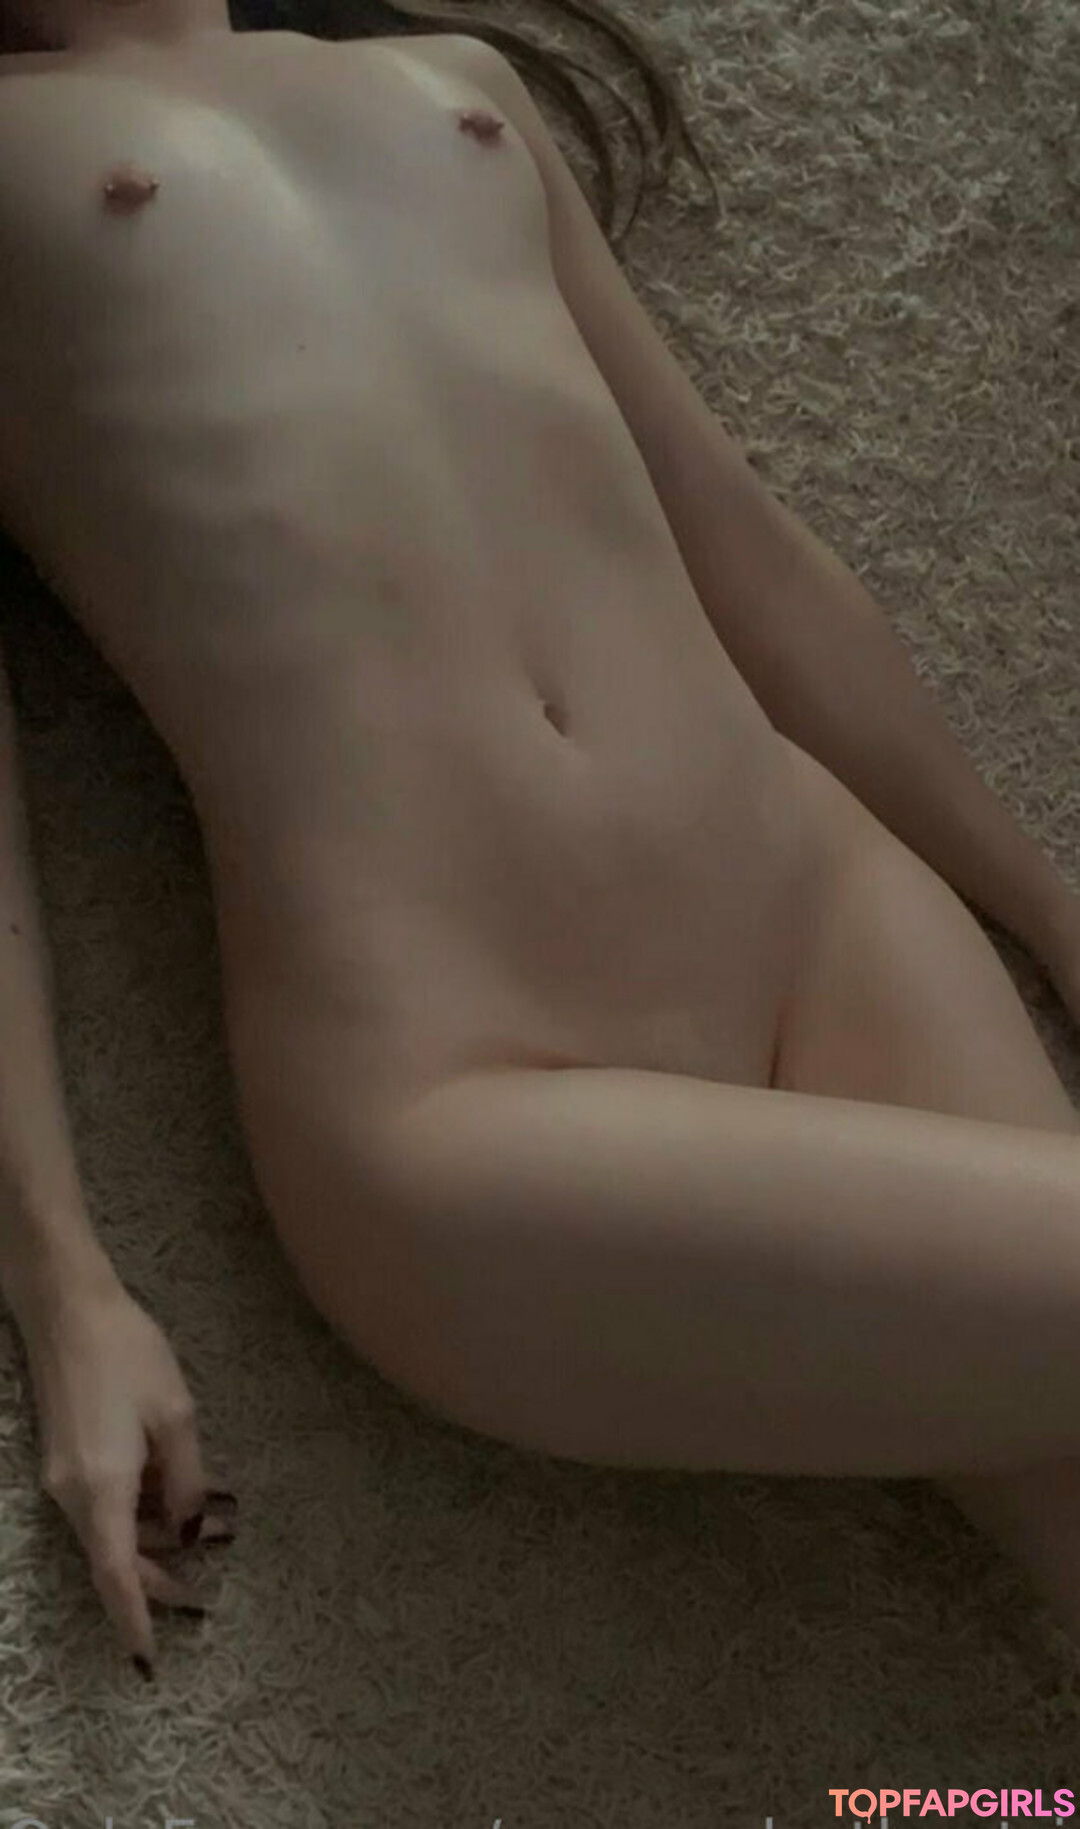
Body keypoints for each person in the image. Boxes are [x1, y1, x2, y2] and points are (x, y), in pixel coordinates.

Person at [1, 0, 1080, 1683]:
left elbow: (746, 542)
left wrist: (1054, 913)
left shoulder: (455, 84)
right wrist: (62, 1285)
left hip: (817, 910)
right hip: (464, 1084)